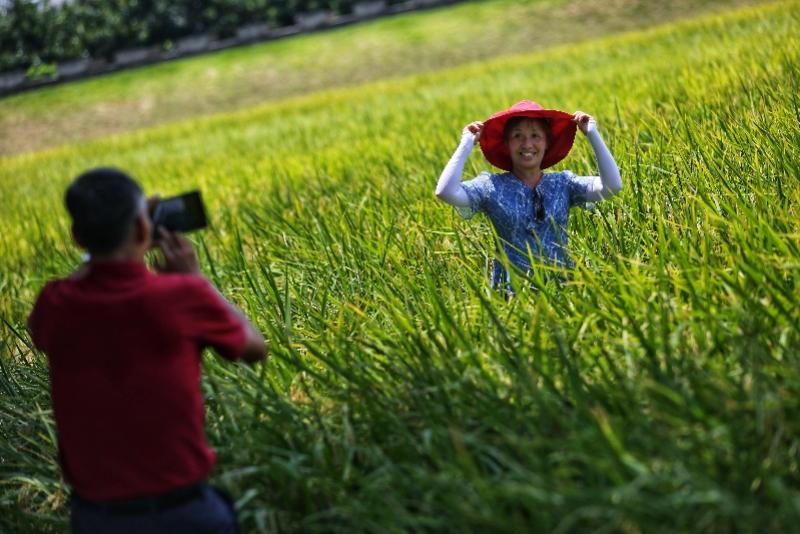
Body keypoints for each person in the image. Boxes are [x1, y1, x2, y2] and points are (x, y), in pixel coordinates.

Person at [27, 168, 267, 533]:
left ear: (78, 238)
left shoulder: (54, 305)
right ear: (143, 230)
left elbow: (51, 315)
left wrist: (105, 248)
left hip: (96, 518)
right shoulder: (180, 297)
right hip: (186, 512)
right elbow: (254, 346)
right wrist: (196, 281)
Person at [435, 100, 622, 290]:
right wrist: (466, 143)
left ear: (547, 142)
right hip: (512, 294)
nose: (527, 144)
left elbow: (611, 186)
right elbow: (446, 191)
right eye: (518, 136)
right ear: (507, 143)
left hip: (563, 289)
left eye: (535, 136)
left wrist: (592, 134)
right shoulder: (491, 187)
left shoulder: (563, 184)